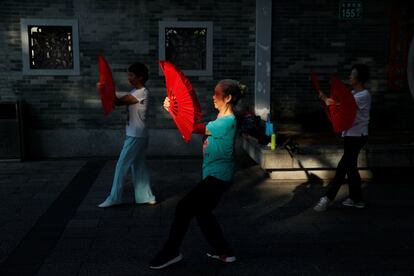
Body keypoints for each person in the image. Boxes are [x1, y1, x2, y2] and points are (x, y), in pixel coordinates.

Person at [149, 79, 245, 269]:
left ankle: (172, 251)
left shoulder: (228, 122)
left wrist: (172, 110)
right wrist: (173, 111)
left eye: (217, 94)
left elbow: (193, 127)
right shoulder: (220, 118)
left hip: (218, 178)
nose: (213, 97)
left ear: (228, 98)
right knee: (203, 212)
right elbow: (192, 124)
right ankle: (224, 251)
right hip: (214, 175)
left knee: (184, 207)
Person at [314, 64, 371, 212]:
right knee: (351, 167)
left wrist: (328, 100)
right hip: (351, 135)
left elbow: (344, 106)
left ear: (359, 78)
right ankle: (356, 199)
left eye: (352, 74)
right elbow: (340, 104)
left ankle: (328, 198)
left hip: (358, 136)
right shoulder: (353, 93)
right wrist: (326, 99)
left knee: (342, 167)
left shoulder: (364, 95)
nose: (350, 77)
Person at [98, 62, 156, 208]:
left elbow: (117, 101)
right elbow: (115, 102)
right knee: (138, 165)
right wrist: (104, 92)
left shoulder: (142, 92)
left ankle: (114, 198)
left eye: (131, 75)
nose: (128, 77)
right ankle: (146, 197)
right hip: (139, 134)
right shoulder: (135, 92)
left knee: (121, 165)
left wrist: (103, 90)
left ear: (140, 77)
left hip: (135, 136)